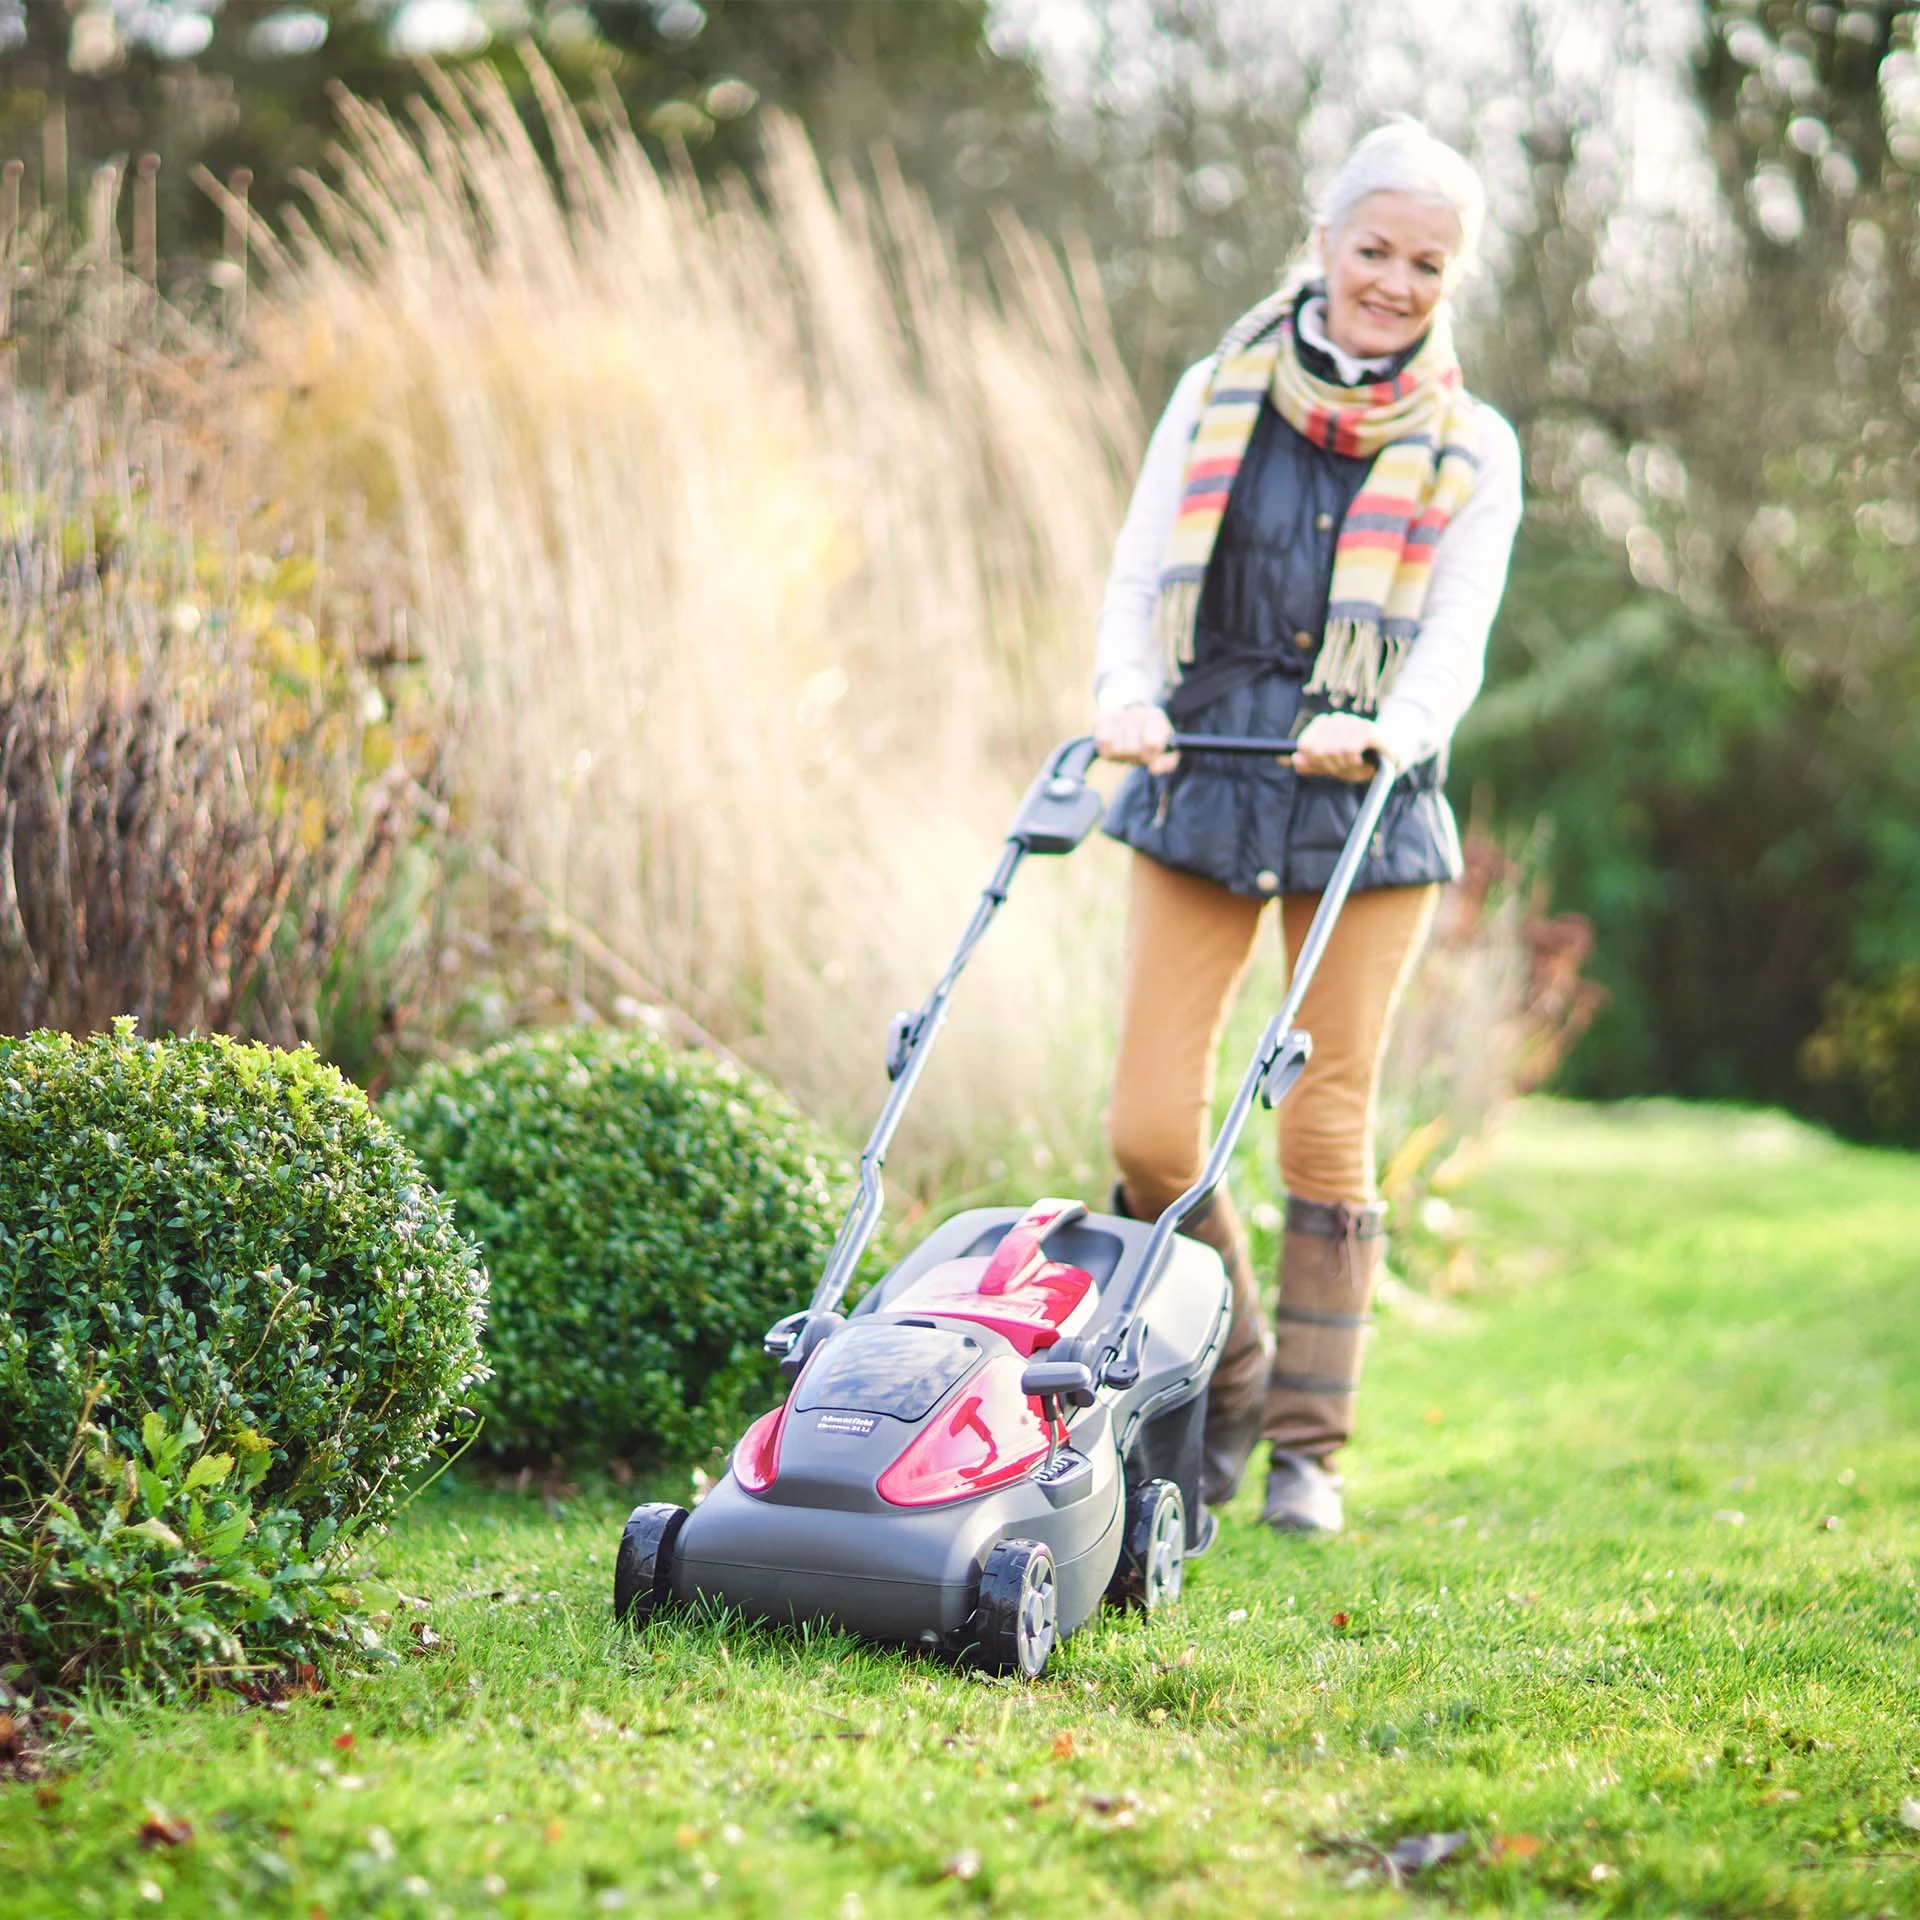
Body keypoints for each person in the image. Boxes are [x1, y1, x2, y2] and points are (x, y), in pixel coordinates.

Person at [1092, 119, 1523, 1535]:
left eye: (1427, 265)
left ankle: (1307, 1454)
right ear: (1326, 242)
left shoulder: (1476, 447)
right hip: (1205, 772)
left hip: (1365, 801)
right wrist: (1121, 695)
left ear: (1451, 279)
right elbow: (1145, 560)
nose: (1394, 283)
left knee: (1321, 1131)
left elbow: (1454, 641)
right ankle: (1233, 1376)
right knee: (1153, 1127)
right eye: (1375, 250)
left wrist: (1390, 729)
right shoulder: (1215, 391)